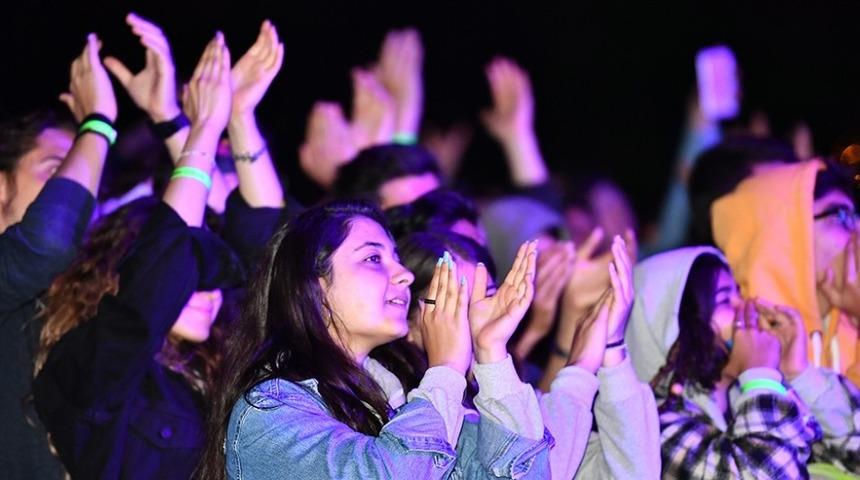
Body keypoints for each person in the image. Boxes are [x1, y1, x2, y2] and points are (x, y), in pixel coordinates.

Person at [200, 200, 553, 479]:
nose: (404, 275)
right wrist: (445, 370)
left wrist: (491, 355)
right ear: (315, 288)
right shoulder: (271, 412)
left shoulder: (405, 401)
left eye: (397, 259)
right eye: (373, 258)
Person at [33, 31, 244, 479]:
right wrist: (204, 129)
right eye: (194, 277)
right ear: (117, 268)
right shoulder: (86, 364)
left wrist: (171, 118)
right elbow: (157, 279)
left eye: (211, 281)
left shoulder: (215, 370)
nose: (210, 293)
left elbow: (260, 254)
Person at [396, 230, 661, 478]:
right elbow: (536, 470)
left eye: (487, 297)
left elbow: (635, 473)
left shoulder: (505, 395)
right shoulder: (409, 409)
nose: (477, 314)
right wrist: (580, 369)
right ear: (408, 322)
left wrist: (611, 343)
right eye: (452, 301)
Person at [626, 246, 860, 477]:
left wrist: (797, 373)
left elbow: (854, 454)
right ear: (676, 330)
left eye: (739, 293)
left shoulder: (751, 396)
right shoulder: (656, 430)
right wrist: (760, 375)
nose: (745, 306)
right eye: (725, 300)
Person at [0, 33, 116, 479]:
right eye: (56, 170)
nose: (79, 192)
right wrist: (99, 125)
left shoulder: (91, 292)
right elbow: (47, 242)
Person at [711, 160, 860, 383]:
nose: (856, 233)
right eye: (840, 215)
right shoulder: (738, 346)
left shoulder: (845, 330)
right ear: (783, 232)